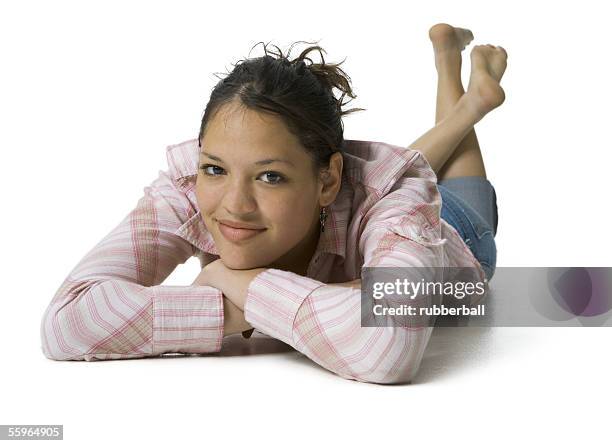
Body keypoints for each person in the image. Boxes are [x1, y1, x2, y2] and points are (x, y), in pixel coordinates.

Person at [40, 23, 507, 384]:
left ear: (329, 180)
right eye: (216, 169)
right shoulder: (188, 185)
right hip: (370, 190)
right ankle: (460, 80)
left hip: (457, 235)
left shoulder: (394, 193)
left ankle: (466, 95)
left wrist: (233, 279)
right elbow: (67, 321)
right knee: (390, 173)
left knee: (435, 184)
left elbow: (388, 347)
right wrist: (240, 304)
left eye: (270, 177)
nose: (234, 205)